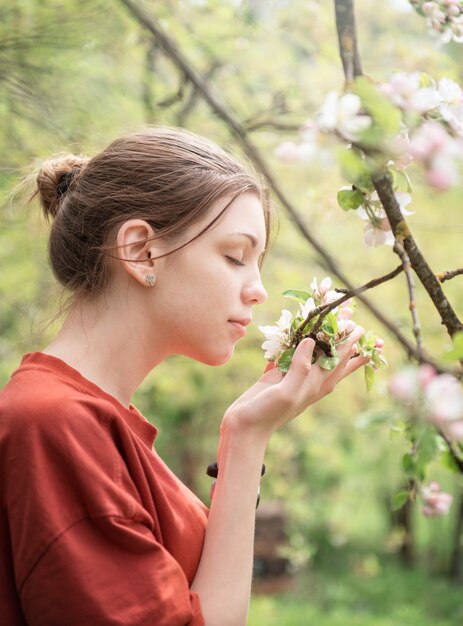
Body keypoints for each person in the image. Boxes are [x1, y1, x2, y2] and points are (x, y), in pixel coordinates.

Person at [0, 126, 368, 626]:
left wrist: (245, 437)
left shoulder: (95, 423)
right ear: (141, 251)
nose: (259, 290)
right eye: (235, 256)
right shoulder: (54, 425)